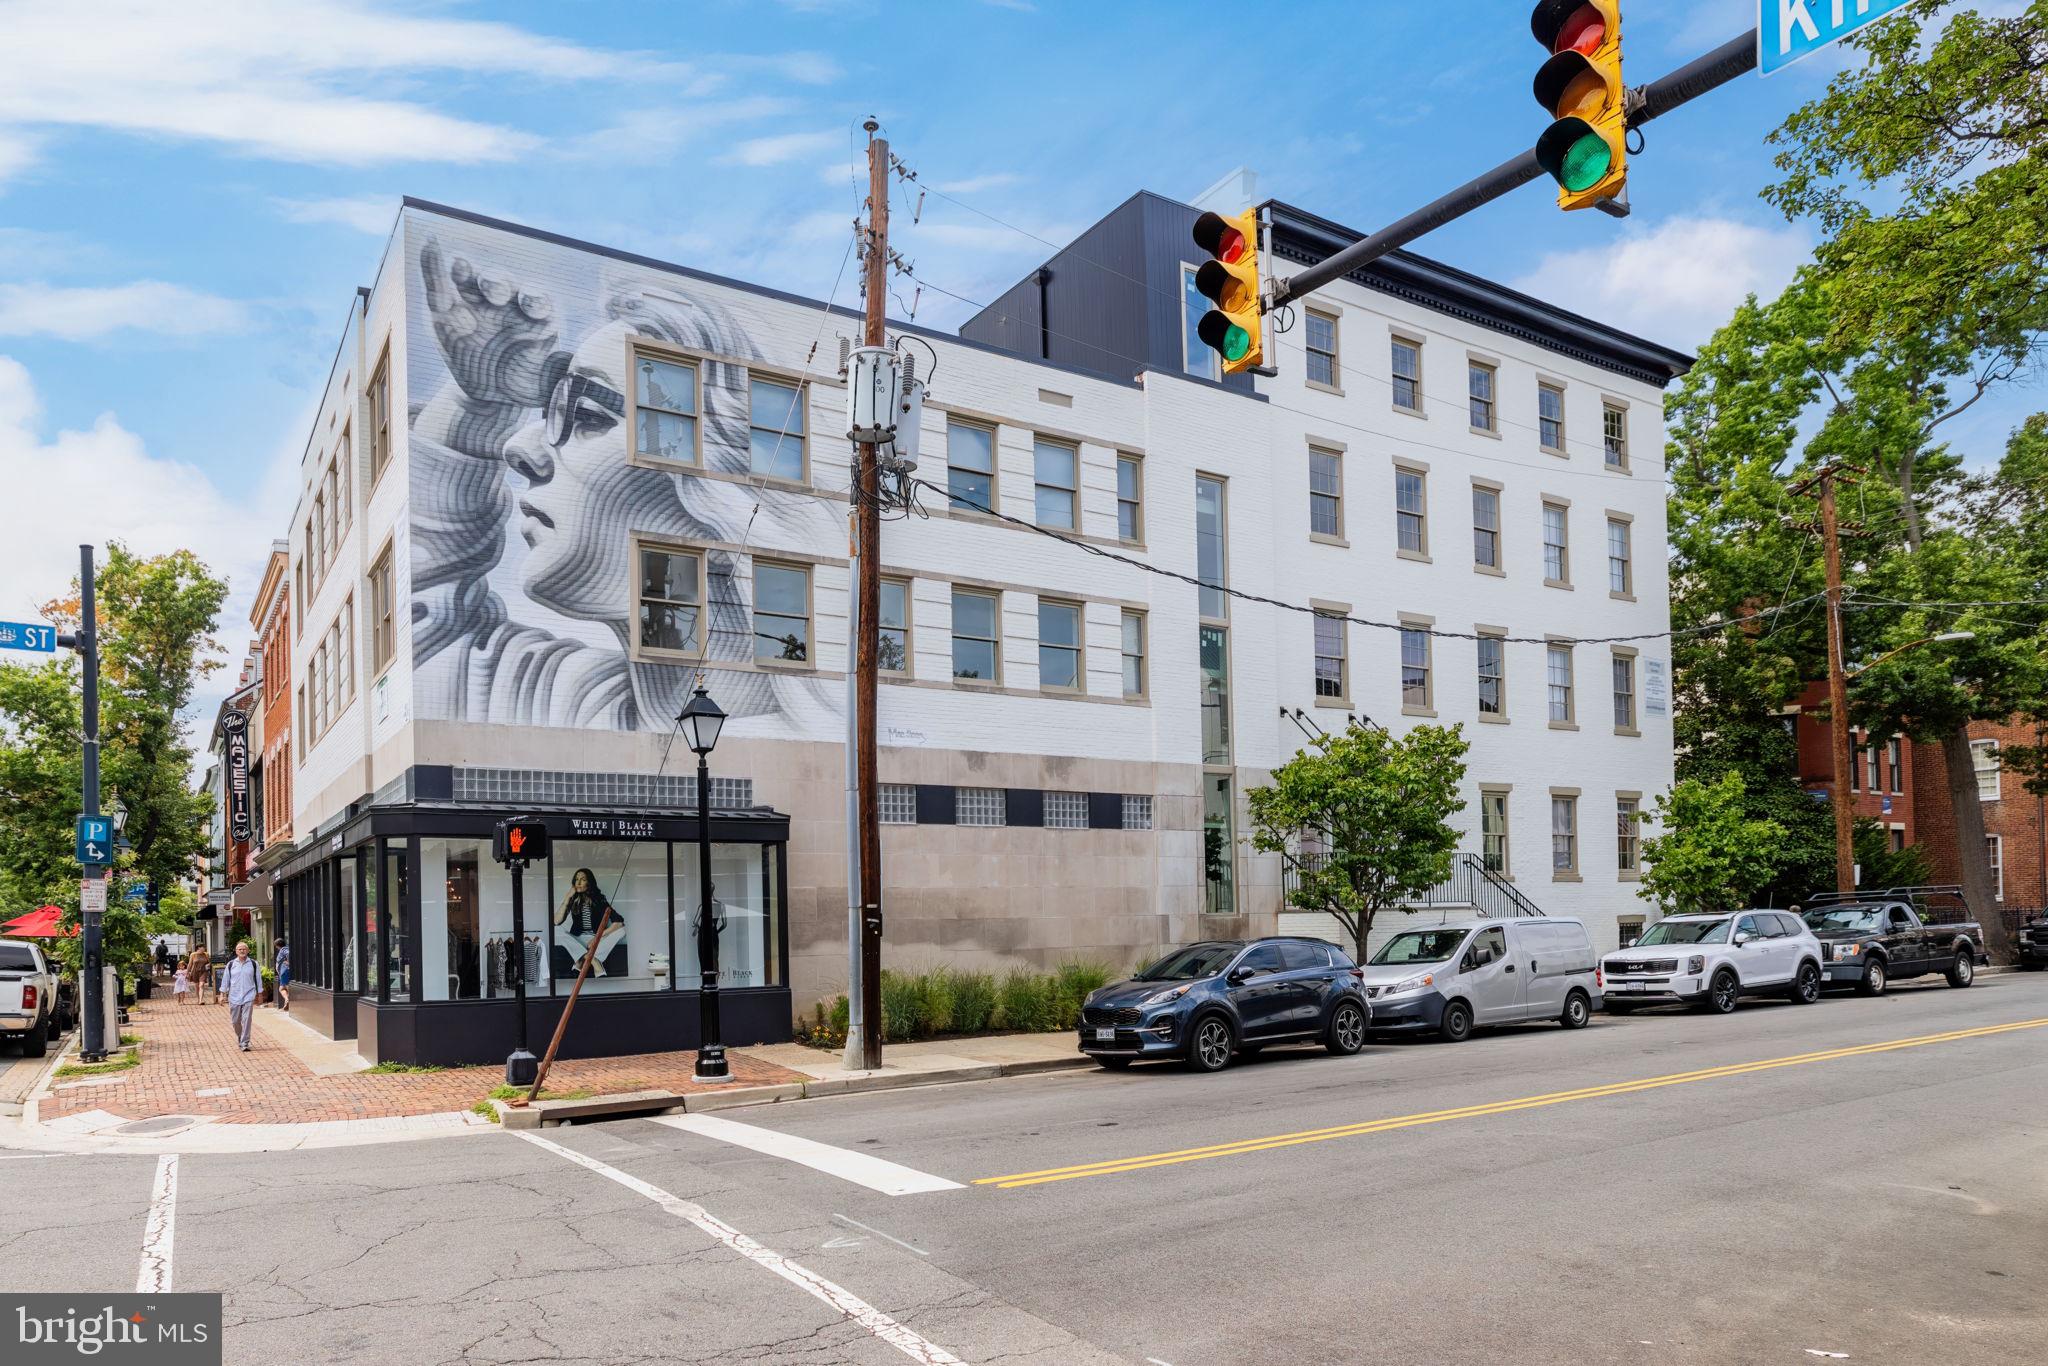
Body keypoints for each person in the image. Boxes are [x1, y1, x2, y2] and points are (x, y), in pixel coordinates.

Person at [551, 867, 627, 979]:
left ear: (589, 883)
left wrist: (597, 937)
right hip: (579, 939)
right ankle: (592, 959)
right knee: (555, 930)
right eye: (576, 879)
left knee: (621, 931)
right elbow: (556, 921)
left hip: (596, 940)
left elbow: (619, 922)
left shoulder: (599, 899)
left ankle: (581, 960)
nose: (579, 882)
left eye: (583, 879)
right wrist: (567, 897)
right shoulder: (573, 900)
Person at [222, 940, 261, 1051]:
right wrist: (222, 994)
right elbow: (225, 980)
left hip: (249, 995)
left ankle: (245, 1042)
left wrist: (260, 994)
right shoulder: (230, 964)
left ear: (248, 951)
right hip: (234, 996)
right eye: (240, 949)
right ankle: (240, 1035)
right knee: (235, 1021)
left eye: (244, 949)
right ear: (236, 951)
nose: (242, 951)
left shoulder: (253, 964)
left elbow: (258, 979)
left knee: (247, 1019)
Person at [272, 937, 291, 1012]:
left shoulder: (283, 949)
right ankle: (286, 1002)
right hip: (283, 972)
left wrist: (289, 962)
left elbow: (288, 953)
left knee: (285, 988)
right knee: (282, 988)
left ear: (277, 945)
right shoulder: (285, 949)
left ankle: (287, 1000)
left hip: (284, 972)